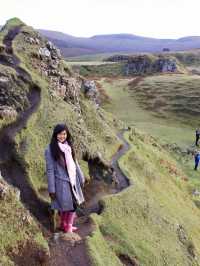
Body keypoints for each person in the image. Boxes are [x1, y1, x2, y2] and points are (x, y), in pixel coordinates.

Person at [44, 123, 85, 233]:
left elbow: (75, 162)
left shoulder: (68, 146)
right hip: (61, 183)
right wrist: (52, 190)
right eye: (59, 134)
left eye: (64, 134)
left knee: (69, 205)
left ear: (67, 134)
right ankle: (68, 227)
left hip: (72, 179)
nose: (62, 136)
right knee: (72, 206)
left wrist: (81, 177)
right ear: (55, 135)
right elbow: (50, 170)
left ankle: (64, 224)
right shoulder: (50, 150)